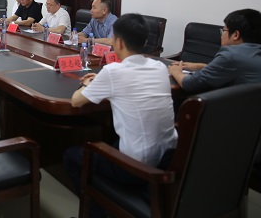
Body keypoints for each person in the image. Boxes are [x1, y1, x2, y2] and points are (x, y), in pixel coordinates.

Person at [64, 13, 177, 212]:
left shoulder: (113, 72)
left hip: (137, 167)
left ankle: (94, 212)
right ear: (144, 42)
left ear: (119, 42)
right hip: (168, 159)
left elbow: (76, 101)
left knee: (72, 156)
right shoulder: (159, 67)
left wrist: (88, 84)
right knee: (115, 137)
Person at [168, 8, 261, 165]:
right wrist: (201, 66)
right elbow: (241, 72)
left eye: (223, 31)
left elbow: (189, 84)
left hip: (259, 142)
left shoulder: (231, 55)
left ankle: (177, 165)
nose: (221, 35)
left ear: (235, 35)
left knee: (186, 114)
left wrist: (175, 71)